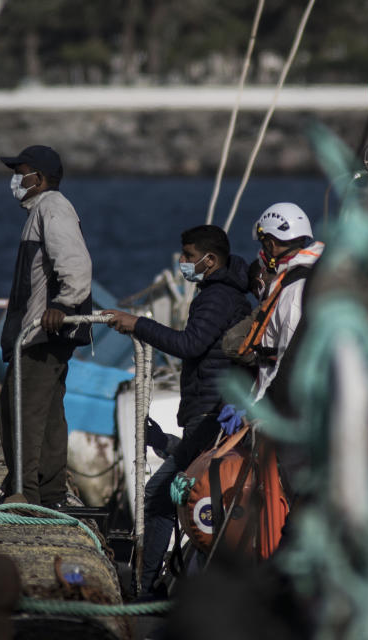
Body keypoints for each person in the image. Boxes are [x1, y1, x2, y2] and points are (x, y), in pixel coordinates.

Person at [105, 224, 252, 595]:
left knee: (160, 495)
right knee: (179, 491)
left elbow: (190, 344)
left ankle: (147, 587)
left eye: (188, 256)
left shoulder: (216, 296)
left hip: (211, 413)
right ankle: (156, 581)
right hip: (209, 412)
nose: (183, 262)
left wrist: (138, 324)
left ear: (210, 259)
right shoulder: (223, 293)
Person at [0, 145, 93, 507]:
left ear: (38, 178)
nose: (14, 180)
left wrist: (62, 305)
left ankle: (24, 493)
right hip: (44, 331)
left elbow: (76, 265)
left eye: (19, 172)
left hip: (43, 330)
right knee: (50, 416)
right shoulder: (42, 210)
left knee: (18, 409)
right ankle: (51, 495)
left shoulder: (52, 207)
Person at [235, 203, 324, 402]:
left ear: (272, 245)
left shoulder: (294, 291)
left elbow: (290, 362)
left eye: (263, 244)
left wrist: (262, 409)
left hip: (277, 409)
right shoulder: (305, 280)